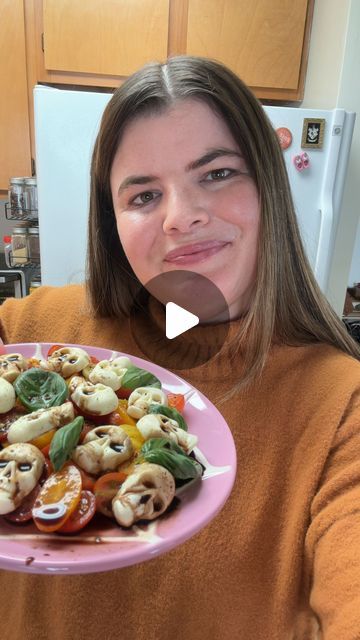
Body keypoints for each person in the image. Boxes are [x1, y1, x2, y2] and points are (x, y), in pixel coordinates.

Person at [0, 55, 360, 640]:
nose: (182, 217)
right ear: (110, 221)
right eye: (143, 195)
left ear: (268, 186)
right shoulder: (35, 330)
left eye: (217, 173)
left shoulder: (340, 406)